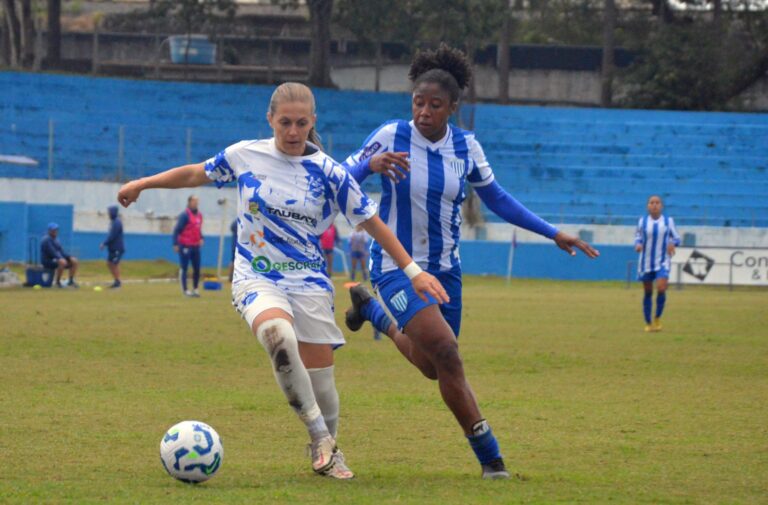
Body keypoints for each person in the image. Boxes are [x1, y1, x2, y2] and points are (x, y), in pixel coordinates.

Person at [116, 82, 448, 480]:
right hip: (256, 276)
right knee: (278, 336)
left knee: (322, 382)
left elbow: (373, 224)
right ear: (270, 120)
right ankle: (319, 438)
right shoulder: (244, 155)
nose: (293, 132)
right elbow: (194, 173)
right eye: (285, 122)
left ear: (313, 123)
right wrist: (141, 184)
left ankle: (328, 448)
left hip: (309, 283)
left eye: (302, 123)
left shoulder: (329, 172)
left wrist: (415, 272)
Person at [340, 45, 600, 479]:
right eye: (418, 103)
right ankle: (491, 460)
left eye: (434, 105)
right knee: (447, 353)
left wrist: (553, 232)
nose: (423, 112)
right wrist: (370, 164)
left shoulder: (466, 147)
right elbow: (339, 178)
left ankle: (371, 313)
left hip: (446, 272)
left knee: (431, 366)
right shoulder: (390, 135)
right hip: (397, 267)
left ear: (452, 108)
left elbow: (498, 199)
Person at [634, 195, 680, 332]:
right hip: (645, 262)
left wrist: (672, 243)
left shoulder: (668, 221)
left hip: (662, 261)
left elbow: (677, 238)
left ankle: (657, 317)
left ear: (661, 206)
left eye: (657, 202)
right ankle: (648, 322)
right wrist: (637, 244)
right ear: (648, 206)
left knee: (661, 288)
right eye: (652, 203)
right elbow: (638, 237)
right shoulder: (642, 221)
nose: (654, 205)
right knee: (648, 292)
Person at [173, 195, 204, 297]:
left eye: (197, 201)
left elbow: (198, 229)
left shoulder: (199, 215)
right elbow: (177, 230)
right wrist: (175, 244)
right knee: (184, 267)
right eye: (194, 201)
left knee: (197, 268)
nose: (196, 203)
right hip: (185, 245)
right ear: (189, 202)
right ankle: (185, 290)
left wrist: (201, 238)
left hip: (195, 246)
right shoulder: (184, 215)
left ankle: (195, 289)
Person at [40, 222, 79, 288]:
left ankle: (70, 281)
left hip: (56, 259)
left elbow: (61, 252)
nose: (55, 231)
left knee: (74, 261)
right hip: (47, 260)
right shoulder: (46, 240)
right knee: (62, 262)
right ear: (49, 231)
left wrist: (69, 257)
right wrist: (60, 258)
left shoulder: (56, 240)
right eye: (53, 230)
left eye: (56, 230)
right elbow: (52, 252)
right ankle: (57, 282)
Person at [99, 205, 124, 289]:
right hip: (112, 248)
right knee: (109, 263)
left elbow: (112, 235)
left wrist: (104, 243)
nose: (108, 214)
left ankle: (118, 282)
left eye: (109, 212)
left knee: (114, 264)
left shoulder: (117, 222)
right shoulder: (113, 222)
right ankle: (116, 281)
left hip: (117, 248)